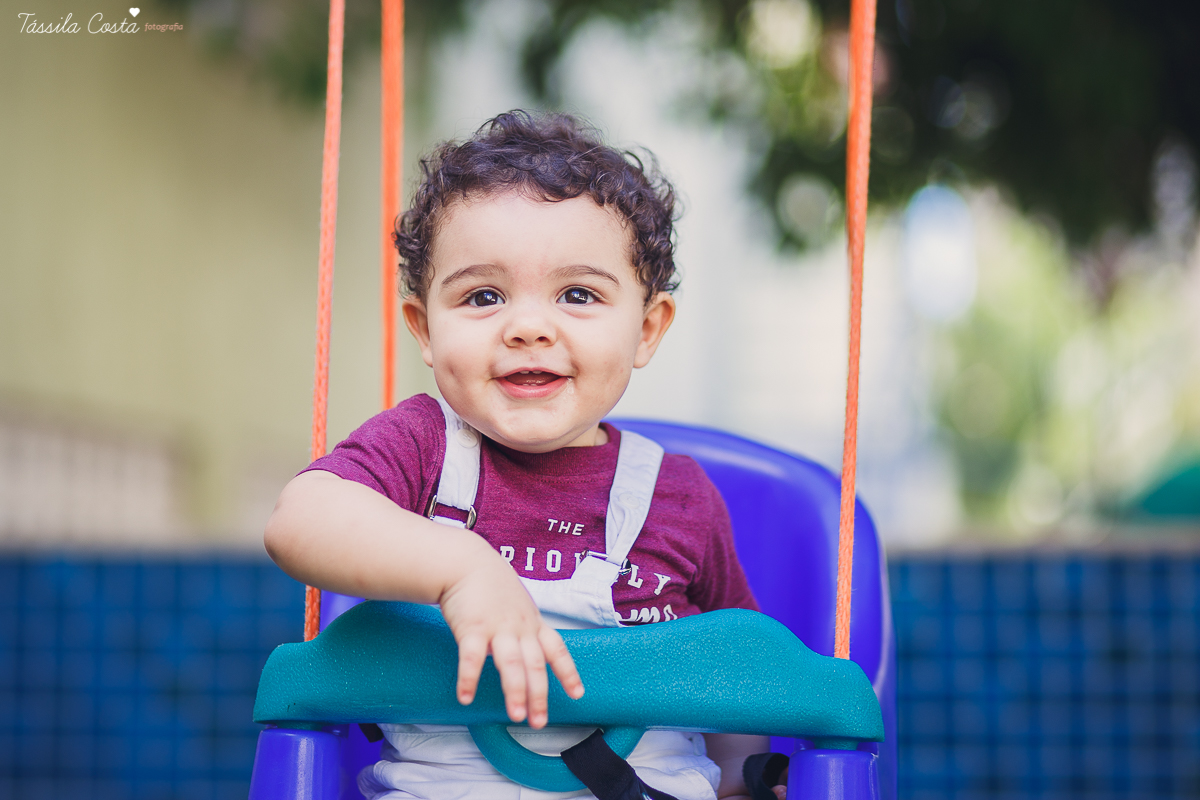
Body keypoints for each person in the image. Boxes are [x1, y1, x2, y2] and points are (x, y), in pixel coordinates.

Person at [265, 111, 784, 800]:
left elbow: (736, 667)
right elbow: (299, 520)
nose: (529, 328)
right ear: (425, 326)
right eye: (483, 296)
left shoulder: (679, 497)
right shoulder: (420, 447)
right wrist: (458, 568)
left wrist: (740, 785)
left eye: (579, 294)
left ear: (647, 329)